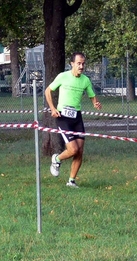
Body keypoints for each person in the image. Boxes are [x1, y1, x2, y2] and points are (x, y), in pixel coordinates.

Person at [45, 52, 102, 188]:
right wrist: (53, 108)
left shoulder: (85, 80)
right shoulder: (63, 76)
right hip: (63, 117)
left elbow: (92, 96)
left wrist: (96, 103)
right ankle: (56, 159)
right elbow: (48, 91)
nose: (81, 66)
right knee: (73, 149)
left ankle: (71, 181)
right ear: (72, 64)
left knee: (80, 151)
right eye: (78, 63)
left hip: (77, 117)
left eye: (83, 64)